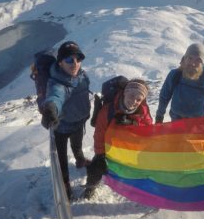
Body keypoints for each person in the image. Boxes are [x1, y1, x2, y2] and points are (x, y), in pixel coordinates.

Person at [83, 78, 152, 199]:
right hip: (108, 149)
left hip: (127, 149)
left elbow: (148, 131)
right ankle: (91, 186)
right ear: (125, 92)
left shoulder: (143, 112)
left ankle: (133, 188)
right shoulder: (108, 110)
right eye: (131, 95)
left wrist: (133, 123)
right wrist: (100, 155)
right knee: (96, 169)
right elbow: (99, 134)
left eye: (139, 99)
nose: (134, 101)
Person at [41, 41, 91, 200]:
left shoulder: (82, 75)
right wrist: (50, 108)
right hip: (61, 127)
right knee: (61, 158)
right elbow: (55, 97)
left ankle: (80, 160)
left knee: (77, 145)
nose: (75, 63)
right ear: (60, 62)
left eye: (78, 58)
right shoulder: (57, 83)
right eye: (69, 60)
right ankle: (65, 184)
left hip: (78, 122)